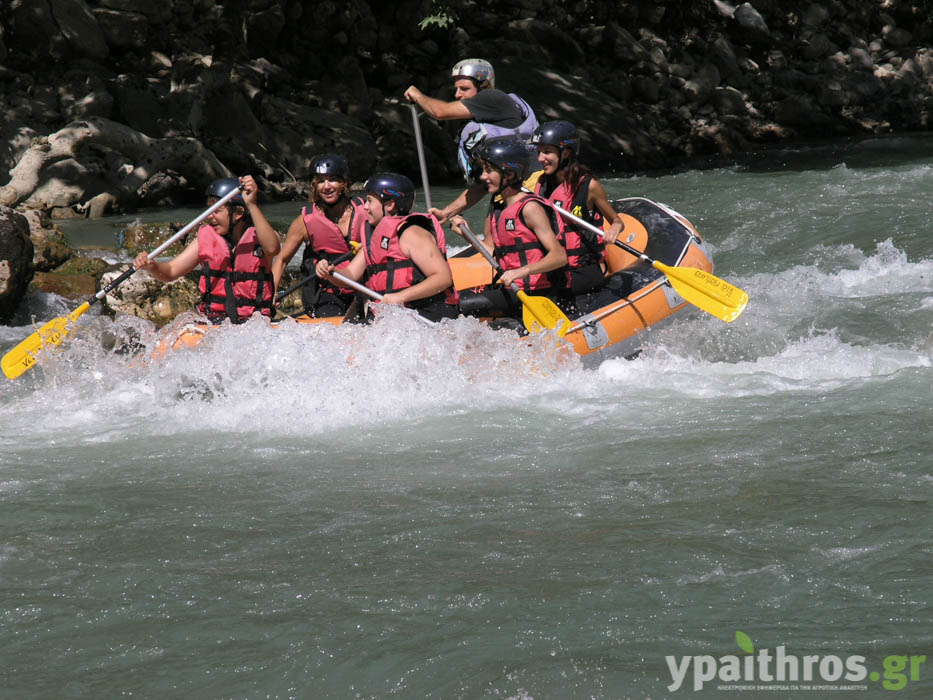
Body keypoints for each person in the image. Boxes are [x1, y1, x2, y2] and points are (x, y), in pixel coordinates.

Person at [404, 58, 538, 223]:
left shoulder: (491, 97)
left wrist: (417, 95)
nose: (457, 94)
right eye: (457, 89)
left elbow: (440, 112)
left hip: (527, 192)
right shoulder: (490, 121)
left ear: (484, 86)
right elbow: (482, 185)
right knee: (493, 236)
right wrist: (447, 213)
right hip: (507, 191)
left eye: (464, 89)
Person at [133, 175, 281, 324]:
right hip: (214, 321)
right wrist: (152, 266)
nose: (210, 216)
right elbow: (171, 271)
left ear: (238, 213)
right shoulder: (205, 239)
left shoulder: (261, 237)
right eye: (209, 210)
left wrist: (252, 204)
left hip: (254, 324)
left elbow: (273, 248)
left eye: (217, 211)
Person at [453, 137, 569, 324]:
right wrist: (467, 235)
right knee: (451, 298)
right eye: (483, 170)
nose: (483, 177)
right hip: (510, 290)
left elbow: (559, 257)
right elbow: (494, 254)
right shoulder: (499, 210)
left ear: (510, 174)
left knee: (460, 304)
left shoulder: (530, 208)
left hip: (537, 292)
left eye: (489, 171)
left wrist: (521, 272)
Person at [314, 173, 459, 322]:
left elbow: (443, 277)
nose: (365, 207)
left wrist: (401, 297)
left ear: (389, 204)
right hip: (396, 318)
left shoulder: (412, 234)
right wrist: (330, 273)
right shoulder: (374, 237)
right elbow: (351, 274)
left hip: (427, 314)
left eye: (369, 201)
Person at [532, 120, 624, 296]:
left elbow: (617, 220)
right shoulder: (541, 184)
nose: (540, 158)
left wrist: (614, 229)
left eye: (547, 152)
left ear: (566, 153)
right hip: (553, 267)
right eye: (539, 152)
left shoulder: (589, 186)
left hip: (583, 270)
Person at [271, 154, 367, 318]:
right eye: (321, 181)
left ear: (344, 183)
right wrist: (271, 293)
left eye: (333, 179)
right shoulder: (305, 221)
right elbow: (282, 259)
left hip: (363, 287)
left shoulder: (365, 211)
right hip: (326, 292)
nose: (327, 186)